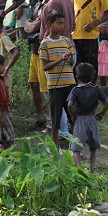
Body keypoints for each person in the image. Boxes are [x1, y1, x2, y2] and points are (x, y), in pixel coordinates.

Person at [39, 11, 76, 148]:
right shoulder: (44, 44)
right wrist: (60, 58)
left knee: (73, 115)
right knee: (55, 118)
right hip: (55, 85)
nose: (62, 26)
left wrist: (70, 58)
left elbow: (72, 64)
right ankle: (55, 148)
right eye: (59, 23)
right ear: (49, 24)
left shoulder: (66, 41)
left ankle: (75, 147)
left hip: (69, 83)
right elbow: (45, 67)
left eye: (63, 23)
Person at [67, 63, 108, 173]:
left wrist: (72, 115)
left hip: (80, 120)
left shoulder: (75, 90)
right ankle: (91, 170)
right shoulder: (96, 89)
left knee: (76, 149)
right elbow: (107, 101)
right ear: (92, 77)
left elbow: (69, 105)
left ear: (77, 77)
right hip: (92, 119)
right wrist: (102, 114)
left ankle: (79, 170)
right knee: (93, 147)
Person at [24, 0, 48, 128]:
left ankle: (52, 120)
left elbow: (31, 26)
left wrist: (31, 25)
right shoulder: (37, 4)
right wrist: (31, 25)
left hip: (43, 51)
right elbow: (28, 25)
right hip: (34, 50)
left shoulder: (49, 5)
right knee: (34, 83)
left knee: (46, 86)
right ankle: (41, 116)